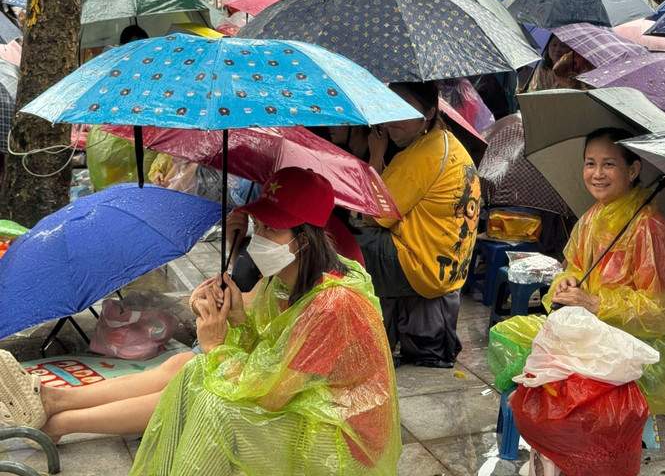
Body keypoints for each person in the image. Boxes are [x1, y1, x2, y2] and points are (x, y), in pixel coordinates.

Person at [0, 168, 401, 475]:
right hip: (305, 404)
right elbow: (266, 351)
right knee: (193, 369)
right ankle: (56, 406)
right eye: (258, 225)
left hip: (338, 438)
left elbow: (273, 394)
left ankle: (59, 419)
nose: (258, 237)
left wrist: (216, 345)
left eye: (271, 229)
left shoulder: (335, 303)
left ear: (305, 239)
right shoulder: (283, 281)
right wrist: (235, 318)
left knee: (211, 397)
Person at [544, 128, 665, 417]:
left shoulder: (649, 228)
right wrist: (566, 283)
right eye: (590, 163)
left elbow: (663, 312)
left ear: (633, 170)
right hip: (594, 335)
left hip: (636, 348)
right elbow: (575, 267)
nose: (597, 173)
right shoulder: (593, 217)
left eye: (608, 164)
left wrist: (595, 303)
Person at [354, 82, 481, 368]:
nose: (392, 119)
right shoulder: (445, 142)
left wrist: (374, 154)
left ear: (429, 113)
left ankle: (349, 338)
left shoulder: (422, 154)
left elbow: (372, 214)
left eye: (404, 109)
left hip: (420, 266)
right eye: (389, 106)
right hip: (446, 265)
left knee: (337, 244)